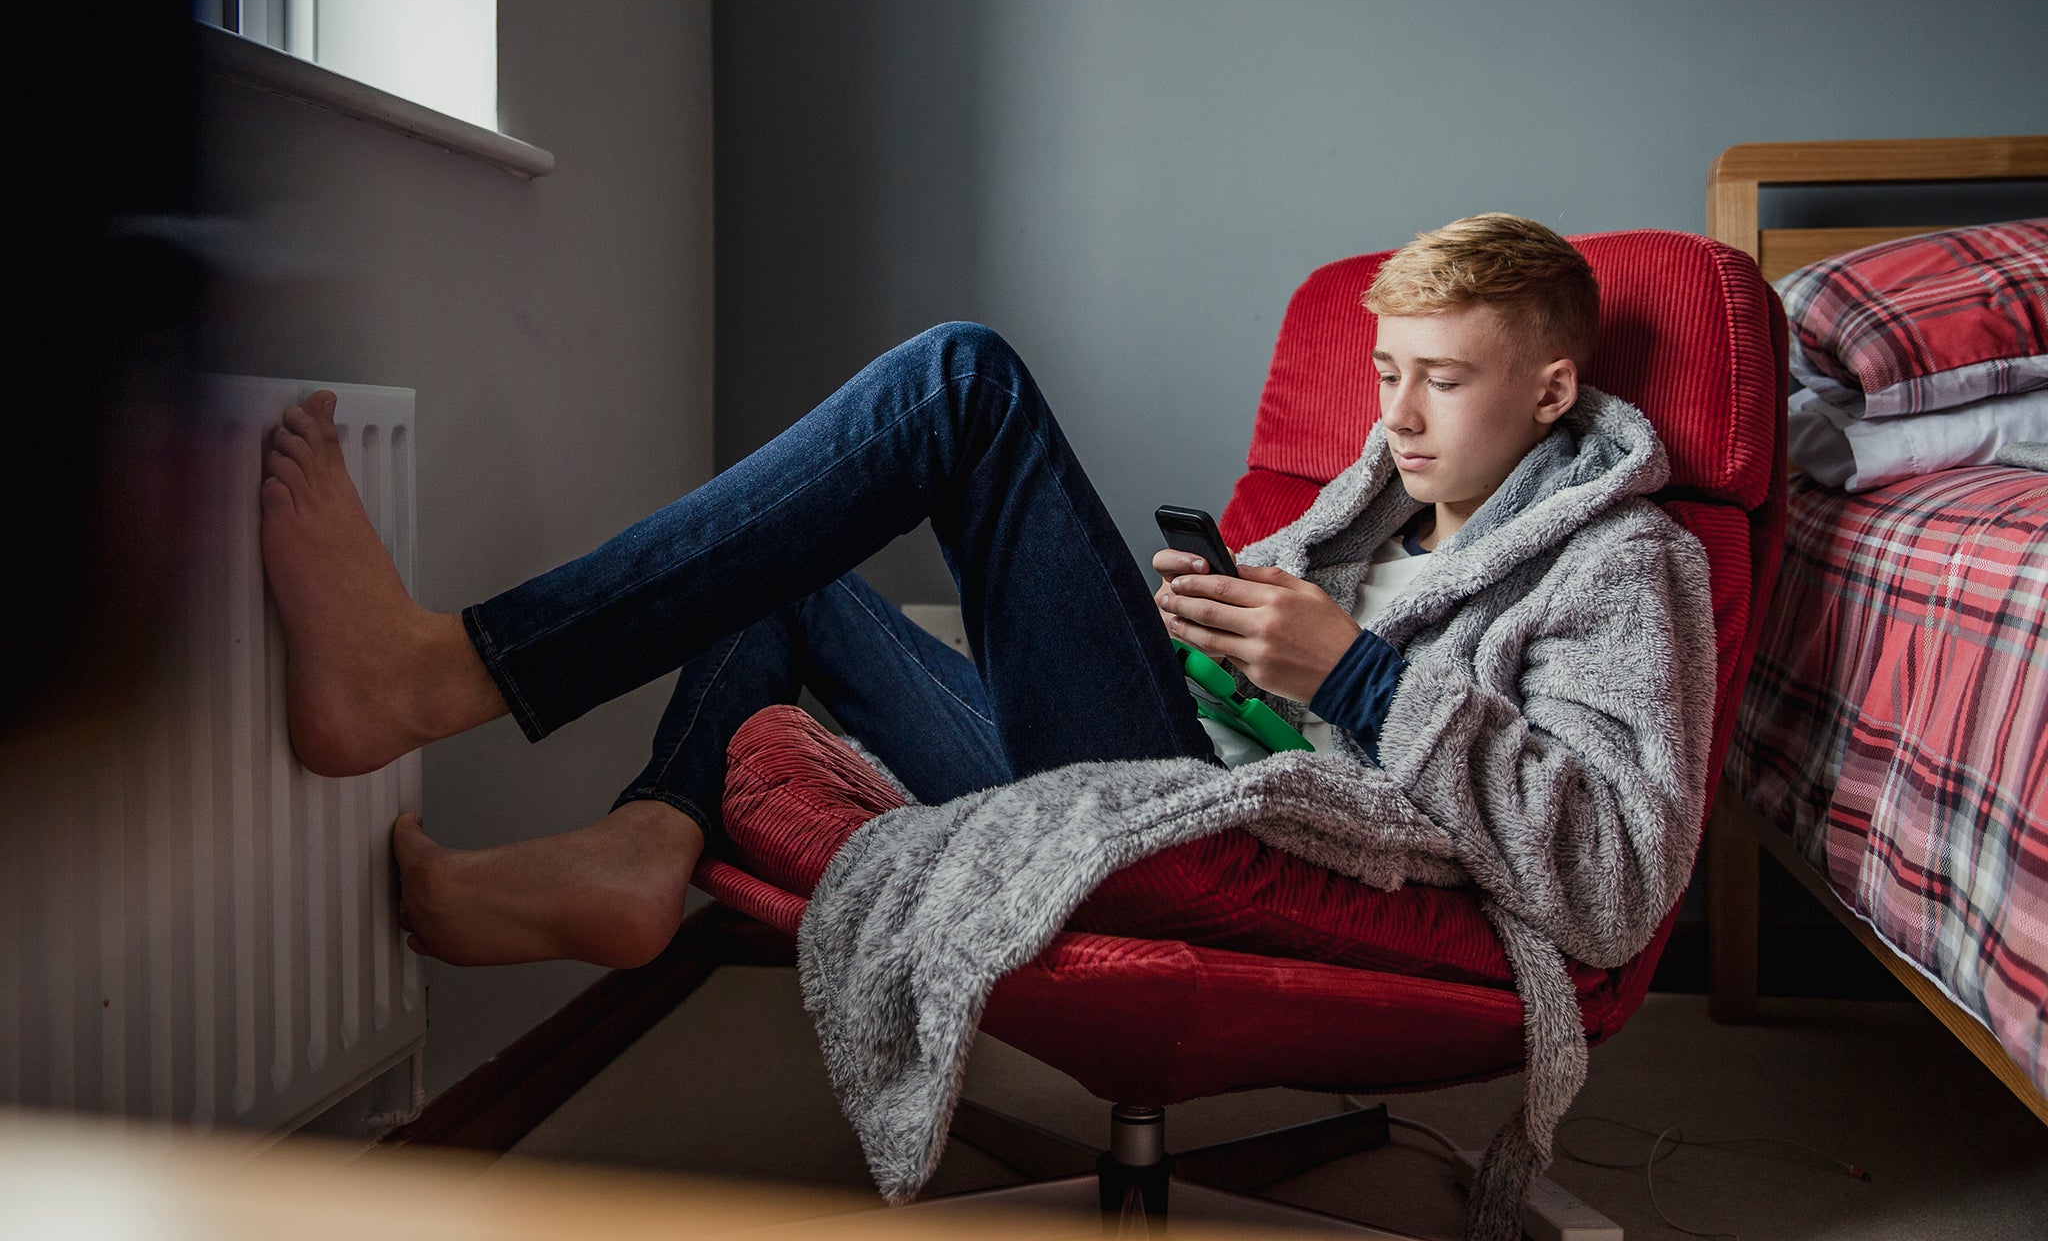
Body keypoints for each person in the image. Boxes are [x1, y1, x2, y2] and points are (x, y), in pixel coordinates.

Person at [258, 213, 1615, 970]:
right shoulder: (1361, 527)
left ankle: (444, 674)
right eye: (1387, 375)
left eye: (1444, 378)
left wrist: (1352, 673)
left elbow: (1609, 870)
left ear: (1551, 391)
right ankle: (648, 848)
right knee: (785, 562)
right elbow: (1287, 713)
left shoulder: (1618, 565)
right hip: (1178, 774)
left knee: (962, 383)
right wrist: (1223, 647)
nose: (1401, 417)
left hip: (1235, 840)